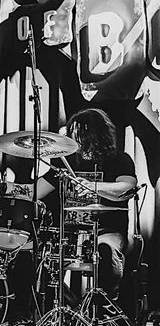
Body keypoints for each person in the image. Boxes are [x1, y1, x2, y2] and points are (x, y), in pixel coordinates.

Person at [36, 108, 137, 300]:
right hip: (68, 234)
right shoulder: (65, 162)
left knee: (105, 251)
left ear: (94, 134)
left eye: (79, 133)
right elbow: (35, 191)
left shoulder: (119, 160)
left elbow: (127, 187)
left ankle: (104, 306)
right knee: (41, 258)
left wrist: (94, 186)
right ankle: (71, 308)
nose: (74, 138)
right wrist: (5, 187)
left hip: (106, 231)